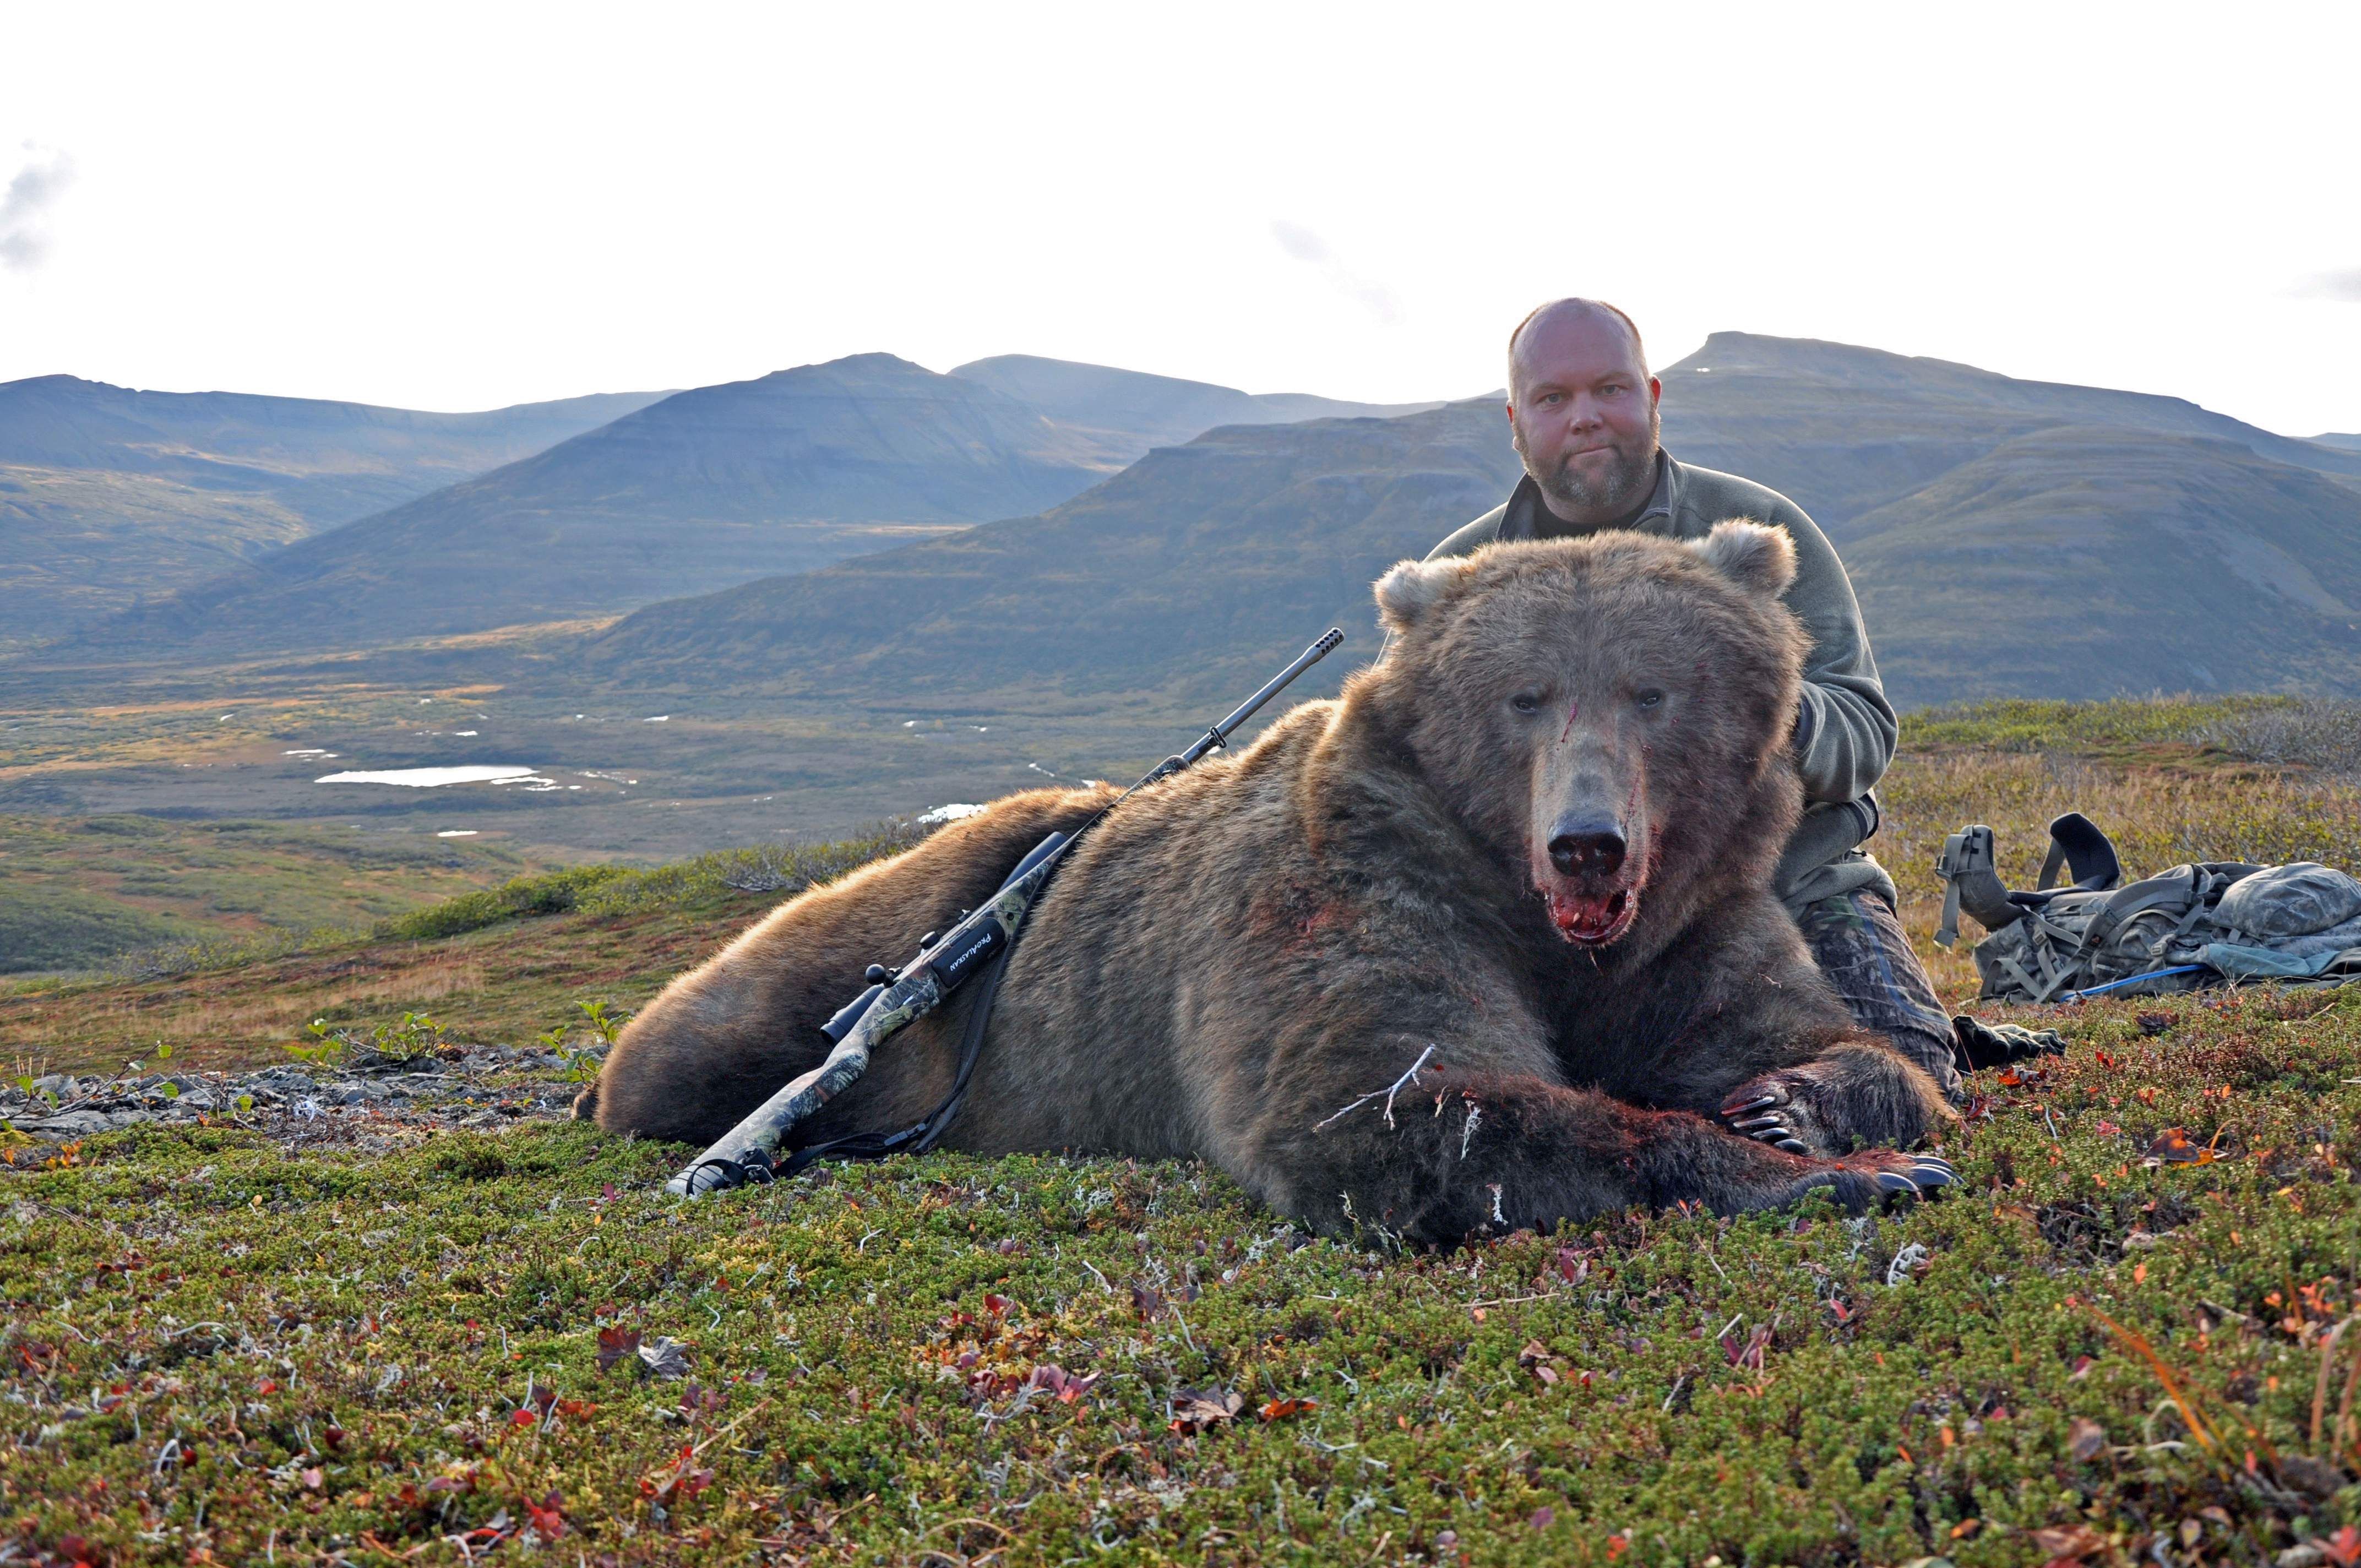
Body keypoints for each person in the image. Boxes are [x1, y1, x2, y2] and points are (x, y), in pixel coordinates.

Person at [1411, 297, 1963, 1103]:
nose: (1587, 419)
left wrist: (1760, 702)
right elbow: (1413, 761)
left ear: (1653, 397)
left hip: (1783, 887)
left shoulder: (1761, 532)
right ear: (1516, 420)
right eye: (1554, 399)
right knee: (1440, 1096)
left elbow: (1865, 730)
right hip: (1542, 919)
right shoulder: (1462, 576)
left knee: (1902, 1080)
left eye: (1611, 389)